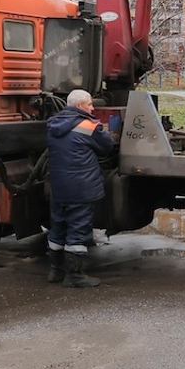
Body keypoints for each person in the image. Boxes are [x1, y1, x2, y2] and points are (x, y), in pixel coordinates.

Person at [45, 89, 114, 287]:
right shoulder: (89, 126)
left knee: (57, 225)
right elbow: (107, 146)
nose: (92, 108)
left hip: (59, 186)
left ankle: (55, 271)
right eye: (89, 104)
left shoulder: (53, 124)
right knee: (78, 228)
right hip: (81, 187)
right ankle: (75, 276)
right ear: (78, 106)